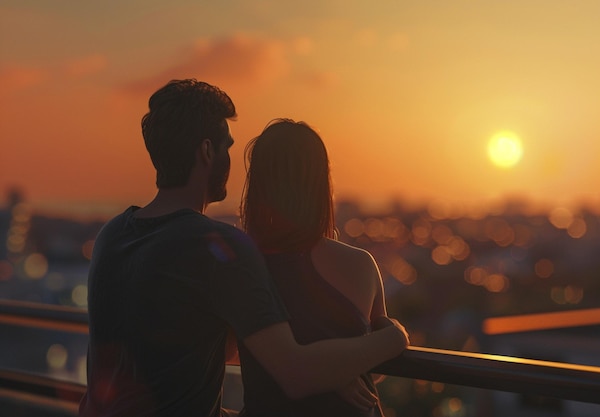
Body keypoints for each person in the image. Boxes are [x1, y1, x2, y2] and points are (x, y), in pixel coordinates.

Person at [78, 79, 409, 417]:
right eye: (227, 148)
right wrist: (392, 339)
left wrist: (337, 365)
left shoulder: (112, 235)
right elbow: (295, 373)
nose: (230, 161)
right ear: (207, 151)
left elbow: (183, 345)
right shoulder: (217, 247)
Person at [239, 119, 398, 417]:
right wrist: (396, 338)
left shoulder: (243, 269)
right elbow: (374, 368)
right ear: (320, 183)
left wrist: (325, 372)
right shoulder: (358, 265)